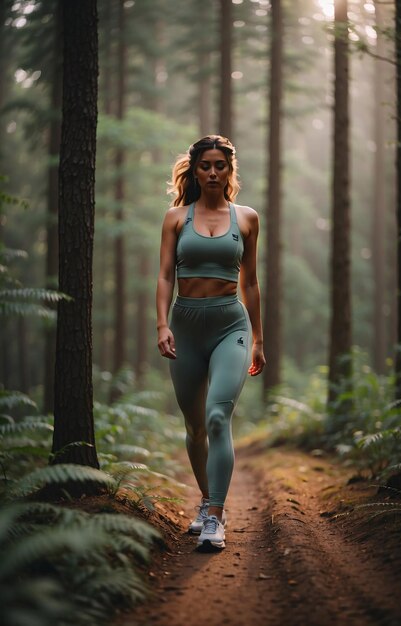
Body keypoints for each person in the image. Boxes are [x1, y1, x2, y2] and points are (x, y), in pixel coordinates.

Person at [156, 135, 265, 552]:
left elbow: (251, 283)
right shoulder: (174, 218)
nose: (213, 172)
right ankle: (206, 501)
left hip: (229, 327)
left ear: (229, 170)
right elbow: (165, 276)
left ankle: (216, 517)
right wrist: (161, 325)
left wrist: (258, 338)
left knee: (218, 417)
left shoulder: (248, 218)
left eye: (220, 165)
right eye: (206, 166)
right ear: (195, 170)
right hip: (184, 326)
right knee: (195, 426)